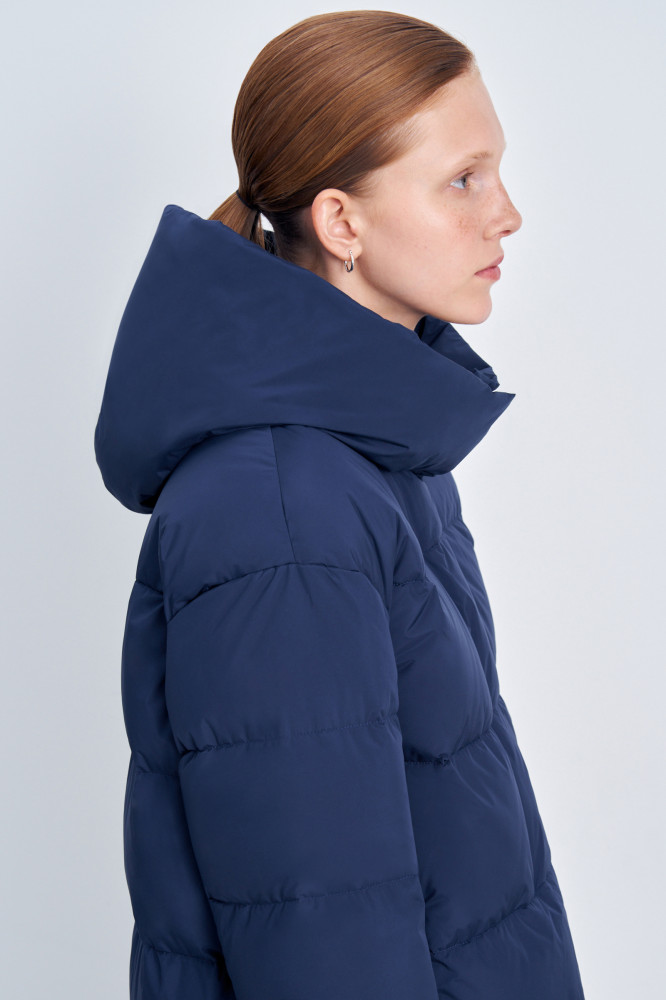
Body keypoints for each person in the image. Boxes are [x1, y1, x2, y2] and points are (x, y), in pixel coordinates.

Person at [94, 10, 586, 1000]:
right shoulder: (279, 511)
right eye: (464, 179)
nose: (508, 214)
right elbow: (322, 932)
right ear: (342, 223)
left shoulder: (373, 455)